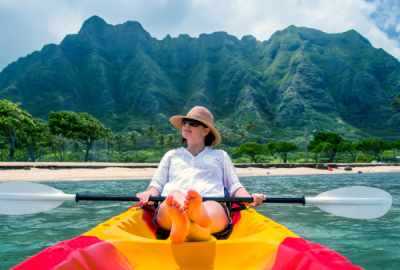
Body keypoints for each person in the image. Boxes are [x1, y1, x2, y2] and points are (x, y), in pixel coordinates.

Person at [136, 106, 266, 244]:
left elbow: (234, 186)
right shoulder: (171, 156)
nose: (186, 125)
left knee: (209, 206)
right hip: (171, 205)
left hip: (212, 204)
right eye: (185, 122)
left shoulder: (220, 156)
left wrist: (249, 198)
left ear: (206, 131)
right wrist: (148, 193)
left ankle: (191, 218)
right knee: (174, 196)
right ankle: (189, 220)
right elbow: (157, 184)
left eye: (193, 123)